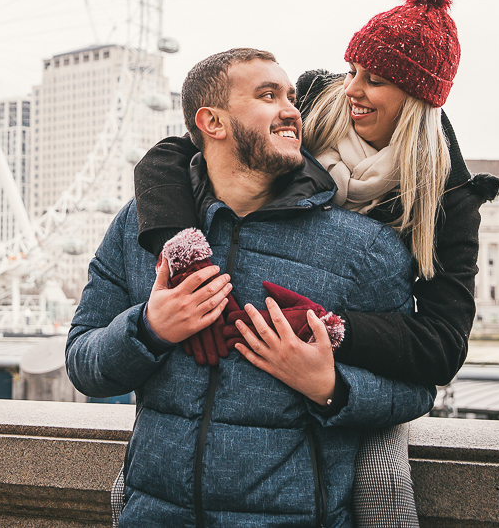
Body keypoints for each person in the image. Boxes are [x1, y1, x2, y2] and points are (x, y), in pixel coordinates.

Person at [132, 0, 499, 526]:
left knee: (380, 481)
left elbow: (442, 346)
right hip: (242, 332)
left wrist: (332, 331)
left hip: (344, 362)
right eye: (353, 69)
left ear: (417, 96)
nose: (351, 89)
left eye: (374, 79)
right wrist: (182, 249)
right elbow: (172, 154)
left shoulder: (447, 199)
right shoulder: (310, 103)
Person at [67, 47, 436, 528]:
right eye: (268, 95)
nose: (291, 110)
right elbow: (82, 363)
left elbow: (415, 391)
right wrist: (150, 328)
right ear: (212, 122)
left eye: (290, 96)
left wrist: (330, 387)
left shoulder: (362, 247)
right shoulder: (137, 228)